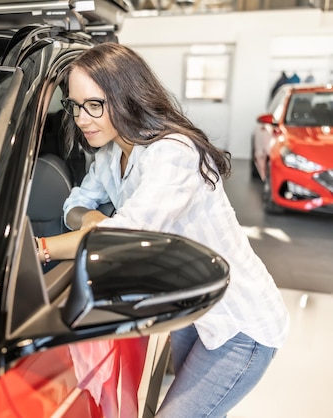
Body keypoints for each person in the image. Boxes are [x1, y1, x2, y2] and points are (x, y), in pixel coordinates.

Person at [33, 42, 290, 418]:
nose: (81, 119)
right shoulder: (110, 155)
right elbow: (74, 204)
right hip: (190, 304)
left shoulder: (173, 153)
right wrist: (91, 220)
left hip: (239, 322)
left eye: (94, 105)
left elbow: (124, 234)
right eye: (74, 106)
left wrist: (39, 248)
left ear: (126, 97)